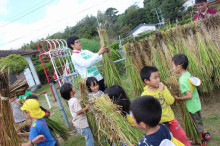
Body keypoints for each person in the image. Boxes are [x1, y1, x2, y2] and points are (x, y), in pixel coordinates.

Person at [140, 66, 190, 146]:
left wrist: (163, 91)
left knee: (181, 137)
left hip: (170, 120)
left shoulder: (163, 88)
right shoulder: (144, 95)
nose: (158, 79)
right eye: (155, 78)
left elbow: (171, 101)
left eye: (158, 77)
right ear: (146, 81)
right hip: (157, 124)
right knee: (164, 142)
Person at [172, 54, 211, 145]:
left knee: (196, 123)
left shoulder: (182, 80)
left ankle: (200, 140)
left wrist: (179, 98)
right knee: (199, 120)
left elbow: (189, 96)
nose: (172, 68)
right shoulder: (188, 74)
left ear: (179, 67)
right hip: (196, 103)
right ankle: (205, 134)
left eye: (173, 66)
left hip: (191, 106)